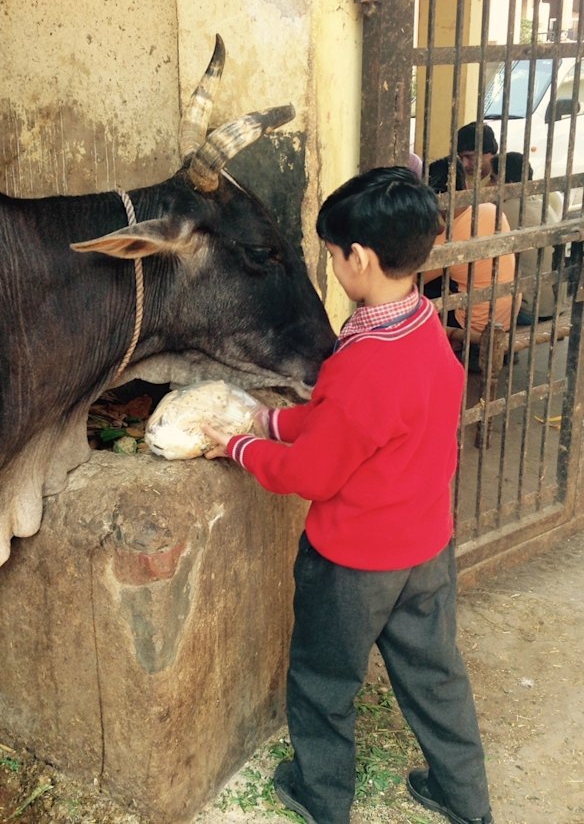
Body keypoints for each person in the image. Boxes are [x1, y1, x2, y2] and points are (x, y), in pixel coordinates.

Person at [202, 166, 494, 824]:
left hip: (353, 566)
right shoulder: (422, 329)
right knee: (436, 681)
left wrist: (236, 445)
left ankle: (321, 797)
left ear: (358, 257)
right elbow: (350, 426)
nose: (333, 266)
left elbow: (311, 474)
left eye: (332, 255)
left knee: (323, 683)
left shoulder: (365, 361)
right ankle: (465, 800)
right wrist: (270, 419)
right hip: (425, 550)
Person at [424, 157, 518, 370]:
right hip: (508, 315)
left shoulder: (450, 235)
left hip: (476, 324)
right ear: (465, 185)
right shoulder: (491, 210)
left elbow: (412, 278)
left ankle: (457, 343)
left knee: (419, 292)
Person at [490, 152, 561, 324]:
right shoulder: (542, 204)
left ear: (510, 184)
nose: (489, 184)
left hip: (527, 311)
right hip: (555, 306)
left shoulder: (501, 211)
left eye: (493, 178)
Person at [456, 121, 498, 186]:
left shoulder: (504, 181)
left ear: (490, 153)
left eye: (470, 157)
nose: (464, 164)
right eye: (460, 158)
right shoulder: (456, 180)